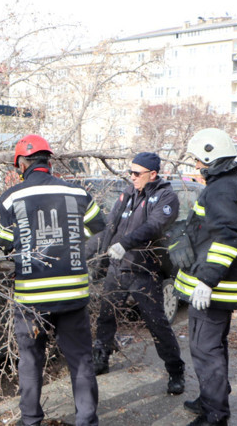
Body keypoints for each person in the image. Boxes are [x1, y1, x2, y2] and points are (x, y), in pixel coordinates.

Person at [0, 134, 106, 426]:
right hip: (72, 294)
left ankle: (31, 420)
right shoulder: (77, 192)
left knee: (31, 362)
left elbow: (5, 242)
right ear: (49, 160)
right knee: (80, 360)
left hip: (32, 299)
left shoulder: (10, 197)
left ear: (21, 162)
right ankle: (86, 420)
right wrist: (69, 240)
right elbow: (98, 224)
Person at [169, 128, 237, 426]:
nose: (195, 166)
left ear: (210, 156)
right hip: (223, 286)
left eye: (197, 160)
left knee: (206, 350)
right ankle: (211, 397)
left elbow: (227, 239)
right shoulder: (233, 184)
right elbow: (211, 230)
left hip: (213, 289)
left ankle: (215, 414)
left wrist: (206, 280)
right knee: (214, 346)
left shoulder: (221, 189)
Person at [91, 152, 185, 395]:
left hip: (145, 269)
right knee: (106, 317)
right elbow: (110, 226)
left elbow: (153, 226)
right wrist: (97, 257)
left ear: (152, 174)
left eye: (136, 173)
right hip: (117, 268)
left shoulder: (166, 196)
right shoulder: (128, 193)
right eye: (130, 172)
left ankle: (176, 371)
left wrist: (126, 244)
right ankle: (101, 359)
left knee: (156, 323)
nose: (131, 177)